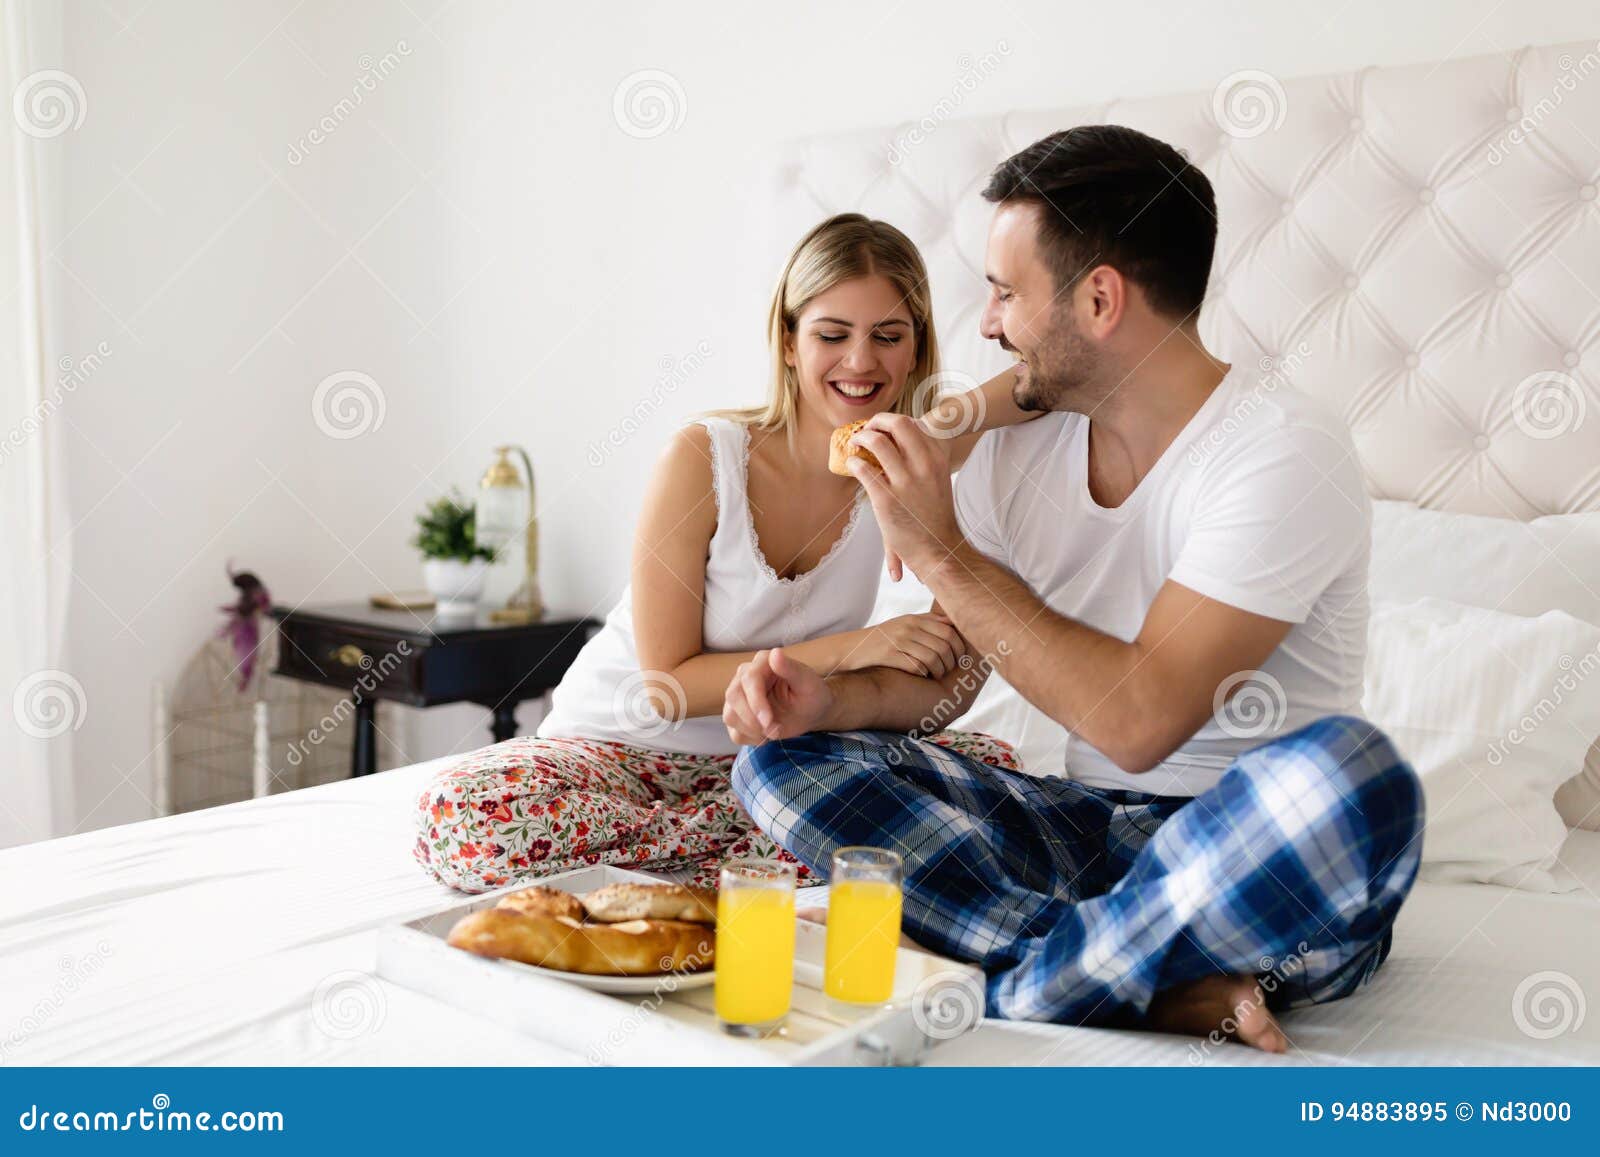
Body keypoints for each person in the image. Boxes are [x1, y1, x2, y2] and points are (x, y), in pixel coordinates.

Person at [727, 126, 1424, 1053]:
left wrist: (939, 552)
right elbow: (954, 673)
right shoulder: (1020, 445)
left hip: (1247, 844)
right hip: (1087, 835)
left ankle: (1046, 970)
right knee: (781, 766)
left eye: (1006, 293)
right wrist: (832, 701)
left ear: (1100, 299)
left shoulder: (1282, 451)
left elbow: (1140, 722)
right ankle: (1129, 975)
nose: (983, 325)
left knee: (1357, 779)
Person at [415, 213, 1030, 893]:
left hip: (775, 766)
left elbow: (1033, 385)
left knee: (995, 767)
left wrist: (931, 429)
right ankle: (769, 856)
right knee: (463, 817)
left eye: (888, 336)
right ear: (790, 343)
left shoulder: (908, 463)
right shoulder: (705, 457)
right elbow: (669, 685)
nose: (861, 362)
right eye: (832, 334)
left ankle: (720, 859)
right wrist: (863, 645)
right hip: (619, 752)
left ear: (916, 350)